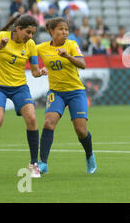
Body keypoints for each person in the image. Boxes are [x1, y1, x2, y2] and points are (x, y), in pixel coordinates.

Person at [0, 14, 48, 180]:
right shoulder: (2, 37)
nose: (30, 36)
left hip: (19, 87)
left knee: (31, 118)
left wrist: (40, 72)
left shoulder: (30, 45)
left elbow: (35, 71)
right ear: (18, 29)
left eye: (32, 34)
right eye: (28, 32)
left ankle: (33, 164)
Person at [36, 17, 97, 174]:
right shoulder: (42, 48)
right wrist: (40, 70)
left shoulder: (71, 45)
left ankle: (90, 156)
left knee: (81, 131)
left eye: (66, 29)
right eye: (61, 29)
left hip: (76, 92)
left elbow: (82, 64)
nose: (65, 32)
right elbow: (29, 57)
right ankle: (43, 162)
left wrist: (67, 56)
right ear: (51, 31)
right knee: (48, 123)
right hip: (56, 92)